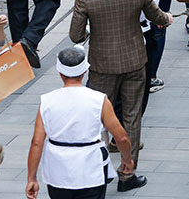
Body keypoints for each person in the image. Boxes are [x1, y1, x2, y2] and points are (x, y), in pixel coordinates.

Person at [69, 0, 173, 192]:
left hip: (102, 64)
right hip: (134, 60)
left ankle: (98, 169)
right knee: (132, 116)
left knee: (98, 118)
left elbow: (75, 36)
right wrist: (167, 18)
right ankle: (128, 172)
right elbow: (157, 16)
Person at [25, 46, 133, 199]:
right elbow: (121, 137)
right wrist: (127, 160)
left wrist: (32, 177)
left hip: (58, 171)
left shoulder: (47, 101)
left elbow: (37, 142)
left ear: (60, 72)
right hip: (91, 170)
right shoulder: (99, 100)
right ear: (84, 71)